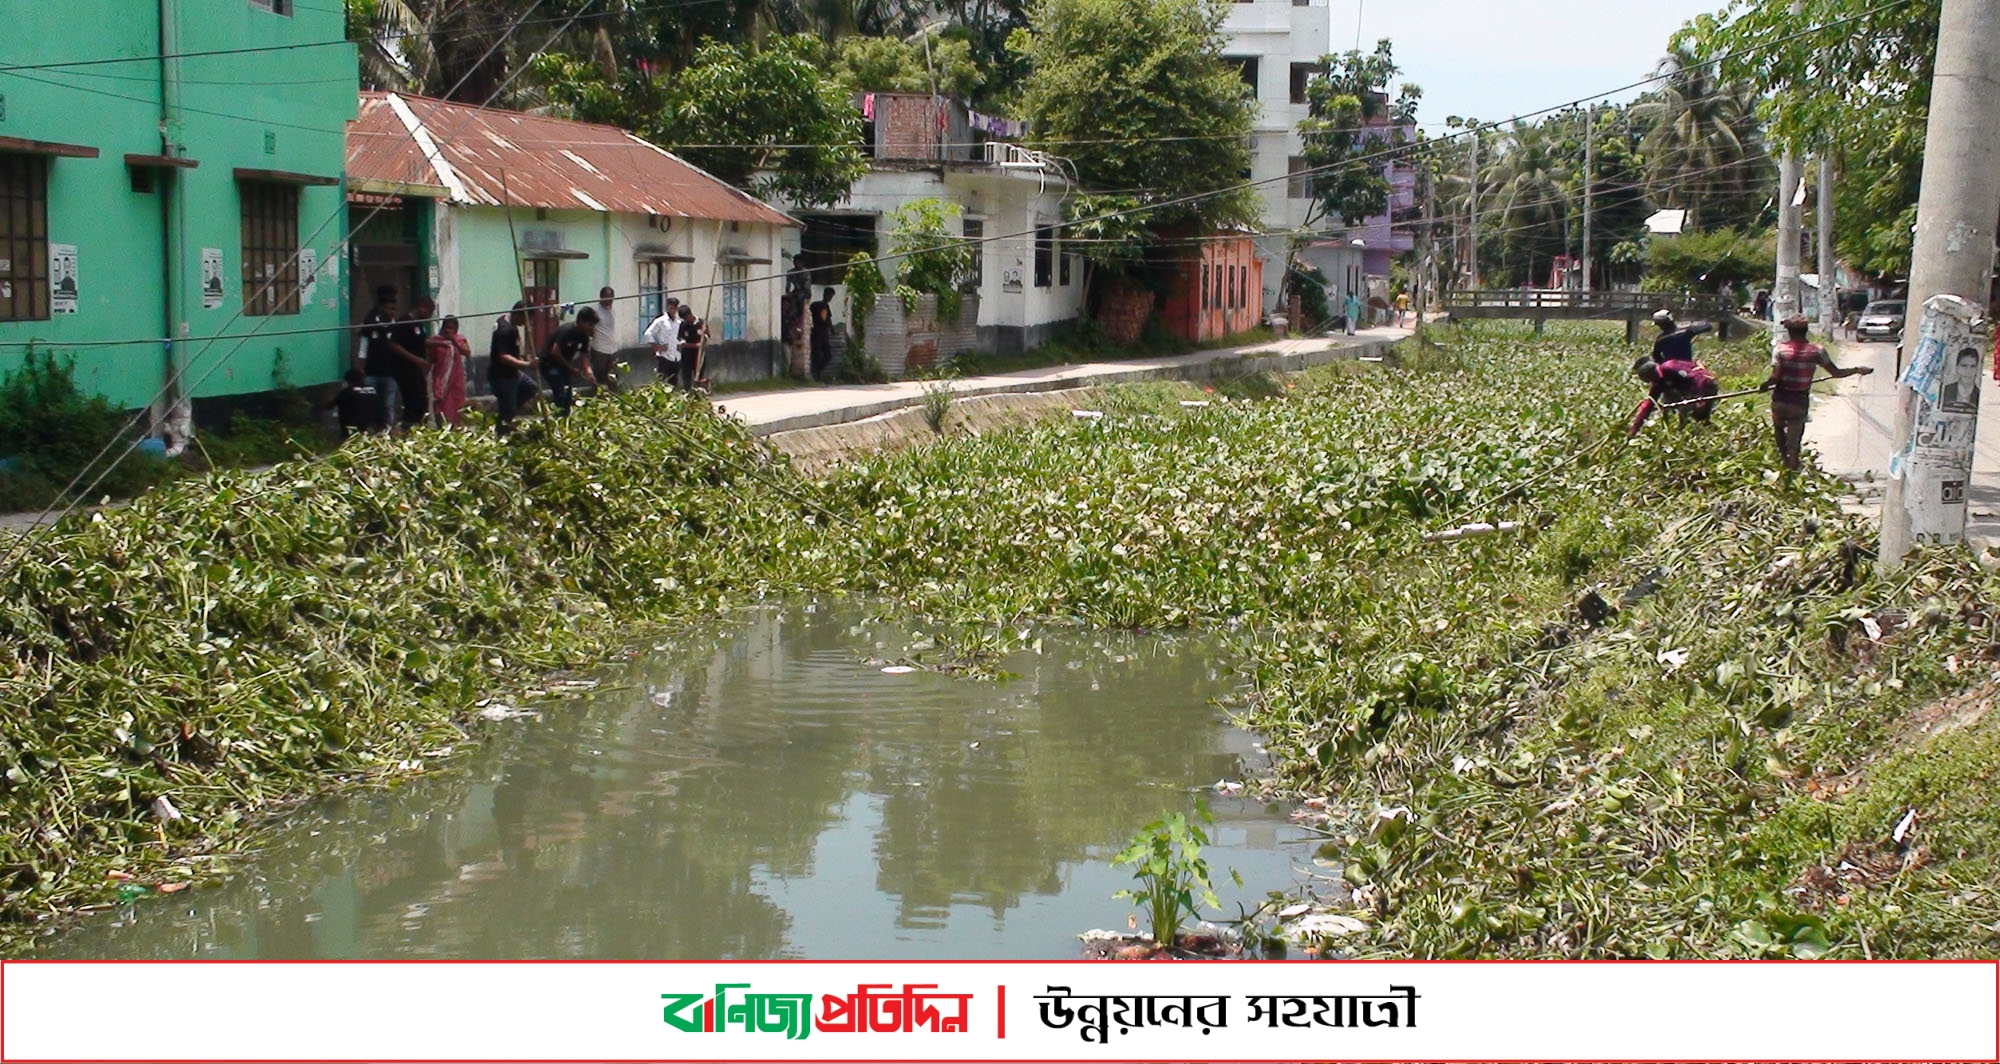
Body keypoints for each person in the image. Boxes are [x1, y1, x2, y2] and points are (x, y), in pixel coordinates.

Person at [1761, 314, 1873, 471]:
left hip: (1780, 400)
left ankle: (1783, 459)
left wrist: (1765, 385)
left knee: (1779, 428)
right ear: (1806, 331)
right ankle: (1792, 467)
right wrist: (1857, 370)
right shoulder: (1817, 351)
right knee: (1794, 443)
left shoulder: (1780, 349)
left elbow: (1775, 377)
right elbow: (1836, 373)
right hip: (1799, 402)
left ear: (1789, 331)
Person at [356, 285, 413, 433]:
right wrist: (360, 365)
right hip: (371, 372)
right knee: (371, 403)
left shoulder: (399, 327)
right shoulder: (371, 323)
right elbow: (364, 346)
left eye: (393, 309)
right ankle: (371, 430)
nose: (391, 312)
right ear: (381, 308)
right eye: (388, 309)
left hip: (391, 374)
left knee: (388, 404)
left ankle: (387, 431)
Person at [1627, 355, 1719, 438]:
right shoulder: (1657, 383)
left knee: (1687, 411)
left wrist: (1700, 398)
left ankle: (1687, 437)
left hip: (1706, 384)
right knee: (1670, 408)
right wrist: (1634, 429)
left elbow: (1697, 378)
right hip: (1690, 390)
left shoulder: (1670, 367)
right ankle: (1712, 434)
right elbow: (1648, 405)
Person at [488, 302, 538, 436]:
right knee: (507, 410)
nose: (527, 322)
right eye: (526, 318)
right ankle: (502, 434)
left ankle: (510, 408)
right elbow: (504, 357)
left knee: (531, 388)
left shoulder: (508, 321)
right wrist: (527, 364)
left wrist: (524, 357)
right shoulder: (505, 330)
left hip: (514, 372)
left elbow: (514, 348)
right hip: (503, 375)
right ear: (518, 315)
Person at [541, 306, 597, 417]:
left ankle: (565, 418)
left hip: (563, 366)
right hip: (549, 364)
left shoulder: (584, 336)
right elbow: (555, 352)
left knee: (568, 395)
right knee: (561, 392)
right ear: (581, 321)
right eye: (590, 325)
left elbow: (584, 356)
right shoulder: (567, 331)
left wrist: (589, 374)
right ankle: (556, 417)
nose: (591, 328)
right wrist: (571, 369)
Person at [391, 296, 435, 431]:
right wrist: (415, 359)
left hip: (418, 369)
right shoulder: (404, 322)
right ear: (421, 307)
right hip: (405, 369)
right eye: (428, 312)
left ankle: (418, 426)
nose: (428, 316)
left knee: (422, 400)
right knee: (412, 400)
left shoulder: (419, 324)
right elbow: (394, 344)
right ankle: (406, 427)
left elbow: (422, 342)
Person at [426, 315, 470, 428]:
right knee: (441, 405)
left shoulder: (459, 339)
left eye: (451, 328)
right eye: (447, 327)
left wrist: (453, 340)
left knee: (456, 405)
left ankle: (456, 429)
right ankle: (441, 427)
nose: (448, 330)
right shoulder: (436, 340)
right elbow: (430, 355)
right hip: (441, 379)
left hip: (456, 379)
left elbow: (467, 352)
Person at [644, 298, 685, 389]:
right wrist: (656, 347)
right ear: (667, 308)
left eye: (674, 308)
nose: (673, 310)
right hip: (664, 356)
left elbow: (680, 336)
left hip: (676, 356)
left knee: (673, 384)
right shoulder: (661, 321)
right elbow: (648, 334)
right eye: (671, 308)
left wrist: (681, 342)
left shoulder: (678, 322)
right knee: (662, 383)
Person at [587, 286, 620, 392]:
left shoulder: (612, 310)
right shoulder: (595, 311)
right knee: (599, 378)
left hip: (612, 350)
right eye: (606, 298)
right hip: (599, 350)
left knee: (613, 378)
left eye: (611, 298)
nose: (609, 301)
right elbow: (589, 328)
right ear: (601, 297)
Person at [333, 369, 383, 439]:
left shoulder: (347, 391)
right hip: (375, 425)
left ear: (348, 381)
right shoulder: (372, 389)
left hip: (355, 426)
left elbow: (330, 406)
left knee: (343, 404)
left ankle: (345, 434)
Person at [1940, 346, 1983, 413]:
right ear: (1957, 368)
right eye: (1964, 366)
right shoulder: (1946, 390)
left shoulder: (1979, 393)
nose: (1968, 371)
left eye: (1972, 366)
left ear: (1977, 369)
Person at [676, 304, 707, 392]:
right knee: (687, 380)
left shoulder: (701, 323)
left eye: (686, 318)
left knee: (699, 379)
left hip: (699, 356)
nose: (686, 320)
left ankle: (699, 398)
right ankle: (687, 396)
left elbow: (706, 338)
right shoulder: (683, 326)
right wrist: (695, 345)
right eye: (684, 319)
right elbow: (682, 343)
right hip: (686, 357)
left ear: (690, 314)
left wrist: (704, 334)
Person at [808, 287, 836, 380]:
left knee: (816, 354)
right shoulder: (824, 306)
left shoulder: (814, 305)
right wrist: (832, 331)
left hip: (815, 332)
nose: (831, 298)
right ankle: (816, 372)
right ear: (827, 295)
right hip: (821, 333)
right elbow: (826, 319)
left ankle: (816, 372)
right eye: (831, 296)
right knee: (826, 355)